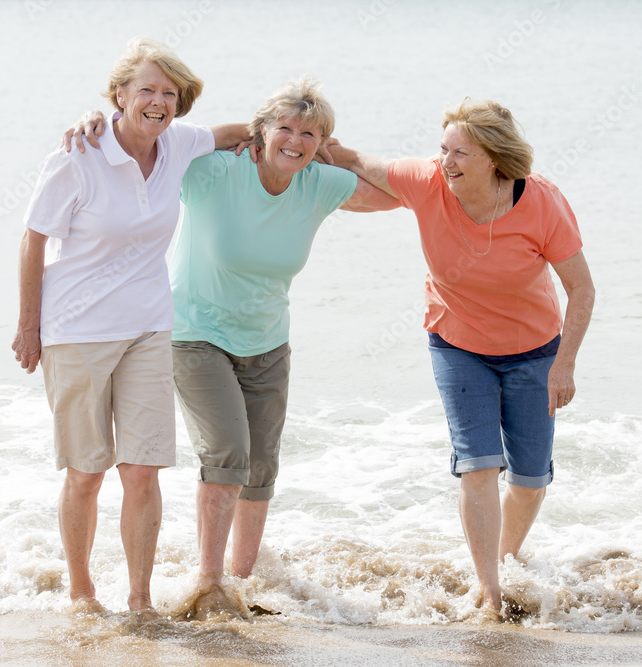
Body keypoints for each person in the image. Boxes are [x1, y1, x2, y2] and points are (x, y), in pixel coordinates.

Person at [66, 76, 398, 617]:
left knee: (261, 469)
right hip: (195, 334)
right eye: (284, 128)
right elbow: (151, 144)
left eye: (310, 133)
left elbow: (399, 194)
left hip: (269, 340)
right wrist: (98, 123)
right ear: (259, 132)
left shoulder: (320, 182)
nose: (295, 140)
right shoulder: (213, 172)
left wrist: (349, 155)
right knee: (227, 456)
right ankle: (208, 582)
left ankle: (241, 586)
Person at [325, 99, 595, 617]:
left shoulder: (541, 203)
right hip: (458, 343)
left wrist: (565, 364)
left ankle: (506, 555)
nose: (446, 161)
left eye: (460, 153)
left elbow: (581, 289)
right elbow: (357, 162)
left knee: (531, 480)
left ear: (494, 158)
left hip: (535, 350)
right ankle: (489, 588)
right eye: (442, 149)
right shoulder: (427, 181)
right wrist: (300, 151)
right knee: (478, 464)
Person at [11, 37, 250, 615]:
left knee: (143, 470)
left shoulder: (179, 144)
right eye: (146, 89)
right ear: (119, 94)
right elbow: (34, 238)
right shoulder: (77, 154)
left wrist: (310, 141)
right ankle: (81, 591)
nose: (158, 102)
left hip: (148, 328)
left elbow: (239, 133)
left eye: (170, 93)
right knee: (87, 473)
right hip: (76, 331)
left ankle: (140, 600)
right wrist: (28, 325)